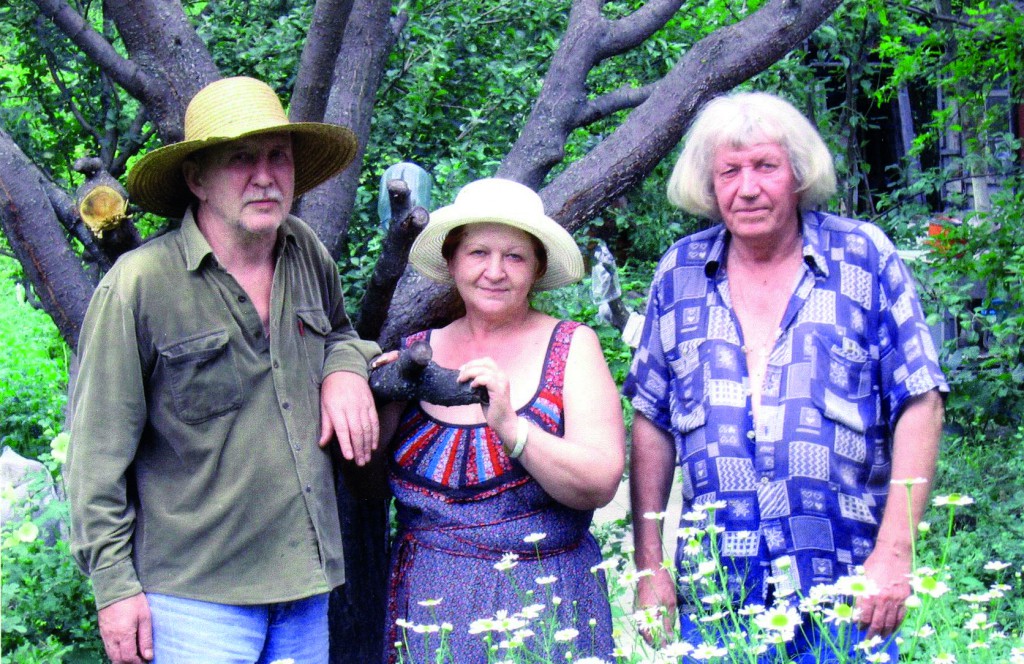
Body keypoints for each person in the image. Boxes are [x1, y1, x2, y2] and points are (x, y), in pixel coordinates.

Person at [66, 76, 382, 664]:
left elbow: (341, 334)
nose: (264, 176)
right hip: (193, 603)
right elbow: (93, 460)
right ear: (196, 180)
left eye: (277, 157)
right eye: (240, 159)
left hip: (304, 589)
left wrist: (345, 368)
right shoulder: (138, 287)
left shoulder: (304, 250)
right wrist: (114, 589)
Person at [624, 91, 947, 661]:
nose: (747, 188)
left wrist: (897, 551)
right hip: (720, 599)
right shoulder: (679, 273)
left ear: (798, 173)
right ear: (710, 183)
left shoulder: (862, 256)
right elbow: (651, 420)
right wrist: (650, 567)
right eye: (729, 171)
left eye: (765, 167)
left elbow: (919, 401)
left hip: (849, 590)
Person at [377, 178, 625, 663]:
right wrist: (385, 397)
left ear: (537, 268)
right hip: (427, 609)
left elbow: (599, 483)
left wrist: (513, 430)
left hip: (546, 607)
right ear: (451, 261)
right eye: (477, 253)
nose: (495, 271)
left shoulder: (572, 347)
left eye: (514, 256)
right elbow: (364, 488)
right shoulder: (414, 351)